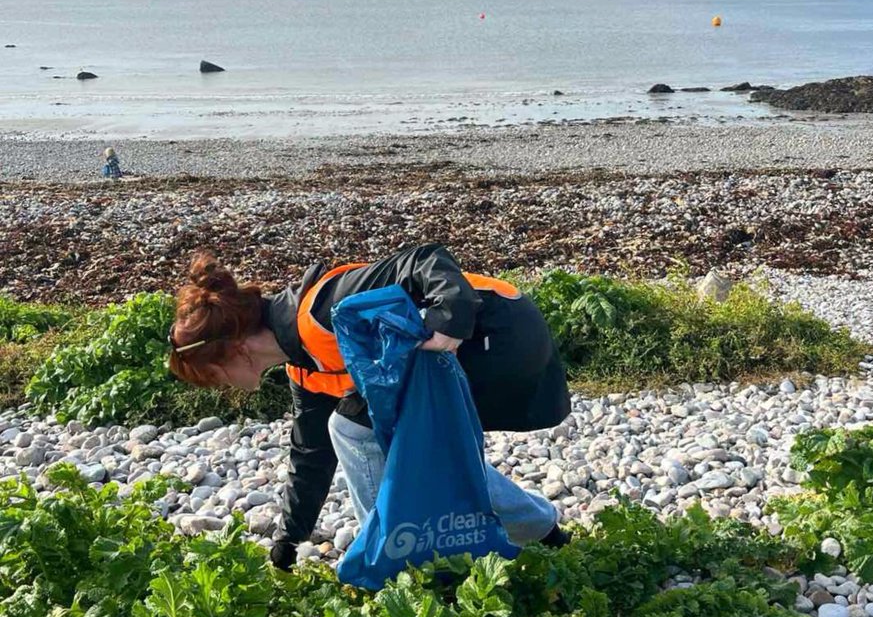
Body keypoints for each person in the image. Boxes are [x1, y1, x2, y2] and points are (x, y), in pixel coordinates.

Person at [168, 244, 572, 570]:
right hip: (477, 347)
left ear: (236, 350)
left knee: (352, 429)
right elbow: (310, 454)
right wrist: (289, 539)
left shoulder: (322, 311)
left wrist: (449, 320)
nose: (220, 388)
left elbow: (424, 259)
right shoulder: (304, 365)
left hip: (498, 332)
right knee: (421, 448)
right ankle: (544, 533)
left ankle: (388, 561)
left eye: (213, 376)